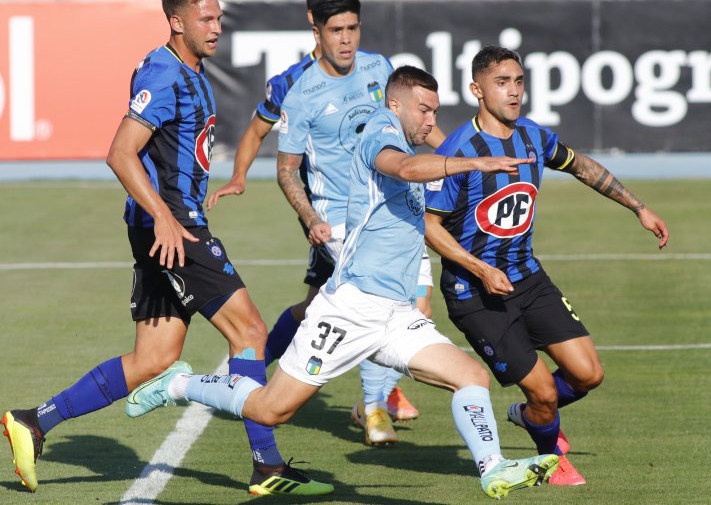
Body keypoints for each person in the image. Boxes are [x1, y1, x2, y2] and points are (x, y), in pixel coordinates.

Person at [125, 65, 559, 499]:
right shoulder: (379, 134)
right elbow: (405, 169)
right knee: (271, 408)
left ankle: (493, 468)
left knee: (471, 377)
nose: (431, 122)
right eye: (424, 111)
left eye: (435, 112)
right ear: (395, 104)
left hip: (395, 313)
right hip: (350, 308)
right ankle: (175, 385)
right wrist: (473, 161)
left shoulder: (406, 134)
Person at [1, 0, 331, 497]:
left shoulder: (191, 70)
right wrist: (164, 219)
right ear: (176, 22)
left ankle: (34, 421)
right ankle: (267, 465)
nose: (217, 27)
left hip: (166, 225)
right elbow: (119, 152)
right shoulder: (163, 73)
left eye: (219, 17)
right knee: (250, 331)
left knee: (154, 358)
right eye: (206, 18)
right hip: (174, 227)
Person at [424, 46, 670, 486]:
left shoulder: (534, 136)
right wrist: (479, 269)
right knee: (542, 390)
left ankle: (531, 415)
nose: (514, 91)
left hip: (528, 276)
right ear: (477, 90)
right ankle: (549, 460)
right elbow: (430, 226)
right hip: (475, 293)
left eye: (519, 81)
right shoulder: (459, 152)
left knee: (588, 374)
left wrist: (638, 207)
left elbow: (580, 166)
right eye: (503, 82)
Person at [270, 0, 443, 444]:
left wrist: (455, 156)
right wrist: (309, 217)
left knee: (415, 305)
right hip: (343, 219)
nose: (346, 40)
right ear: (317, 32)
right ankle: (374, 409)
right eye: (336, 31)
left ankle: (260, 364)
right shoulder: (301, 94)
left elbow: (417, 123)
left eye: (353, 29)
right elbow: (286, 168)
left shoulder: (378, 68)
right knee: (387, 302)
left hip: (394, 206)